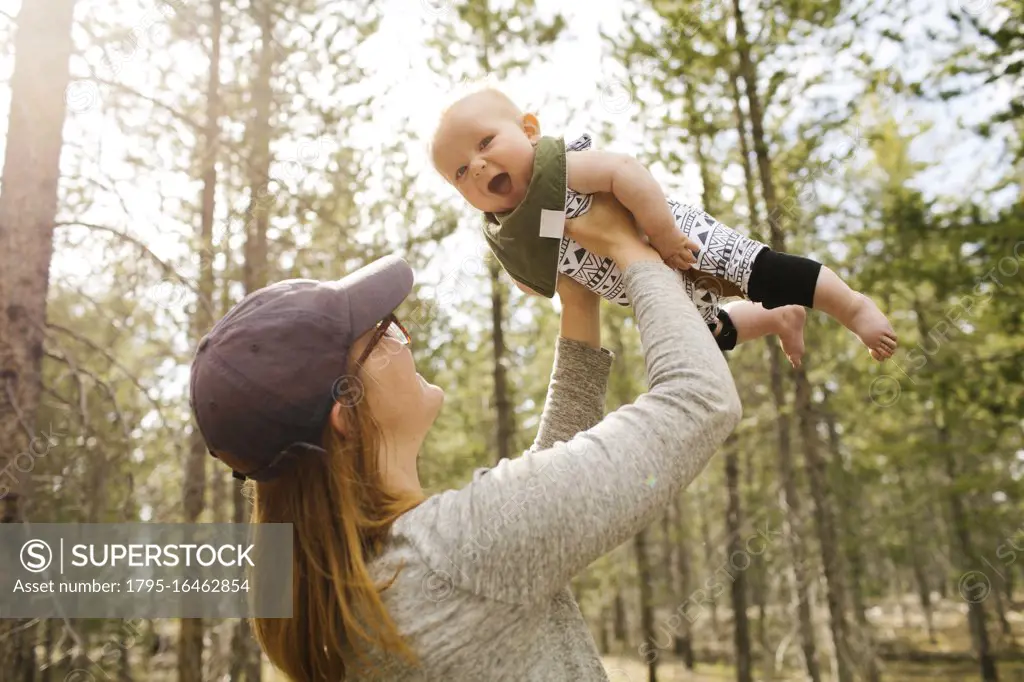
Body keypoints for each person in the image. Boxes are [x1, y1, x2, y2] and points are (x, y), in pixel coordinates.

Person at [188, 211, 741, 681]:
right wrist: (627, 246)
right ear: (346, 415)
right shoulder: (457, 553)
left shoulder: (352, 597)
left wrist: (578, 300)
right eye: (387, 333)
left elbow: (535, 517)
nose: (406, 342)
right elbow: (697, 401)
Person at [431, 88, 899, 365]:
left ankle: (852, 307)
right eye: (458, 172)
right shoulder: (512, 233)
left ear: (529, 131)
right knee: (712, 333)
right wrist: (530, 278)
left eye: (486, 142)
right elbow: (541, 282)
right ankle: (780, 317)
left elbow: (625, 171)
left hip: (681, 239)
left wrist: (664, 234)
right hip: (645, 287)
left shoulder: (560, 170)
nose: (475, 166)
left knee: (763, 271)